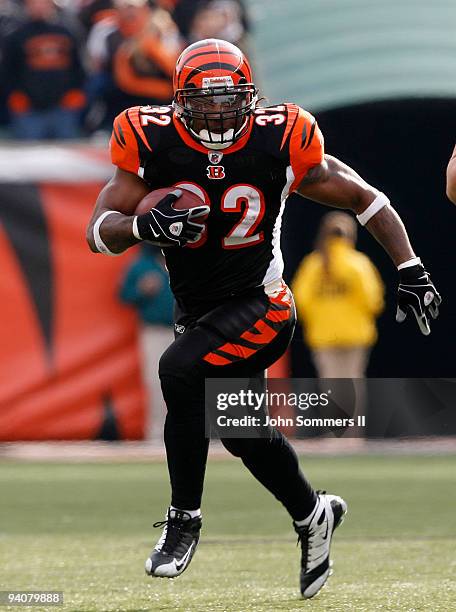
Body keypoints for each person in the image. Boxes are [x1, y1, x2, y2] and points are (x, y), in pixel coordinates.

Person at [86, 39, 441, 599]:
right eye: (207, 104)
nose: (221, 116)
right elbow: (98, 229)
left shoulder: (281, 136)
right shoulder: (148, 137)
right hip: (198, 308)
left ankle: (184, 520)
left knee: (178, 370)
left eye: (231, 103)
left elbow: (364, 198)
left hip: (264, 304)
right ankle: (312, 513)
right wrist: (140, 228)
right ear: (179, 102)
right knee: (243, 432)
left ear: (250, 99)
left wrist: (411, 265)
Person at [292, 211, 384, 378]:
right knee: (353, 379)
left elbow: (300, 299)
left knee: (330, 380)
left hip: (323, 334)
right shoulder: (358, 263)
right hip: (355, 333)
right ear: (350, 235)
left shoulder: (312, 264)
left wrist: (318, 318)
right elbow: (373, 300)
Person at [3, 0, 86, 139]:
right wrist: (14, 96)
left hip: (63, 108)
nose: (39, 6)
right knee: (30, 155)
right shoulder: (16, 35)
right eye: (34, 3)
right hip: (28, 110)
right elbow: (7, 71)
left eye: (43, 2)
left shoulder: (67, 31)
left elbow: (80, 67)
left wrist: (77, 93)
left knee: (67, 156)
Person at [119, 244, 174, 442]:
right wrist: (141, 290)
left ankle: (201, 434)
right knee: (155, 381)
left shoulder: (186, 261)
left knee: (195, 382)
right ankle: (156, 434)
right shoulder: (142, 265)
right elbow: (124, 295)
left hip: (189, 330)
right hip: (155, 331)